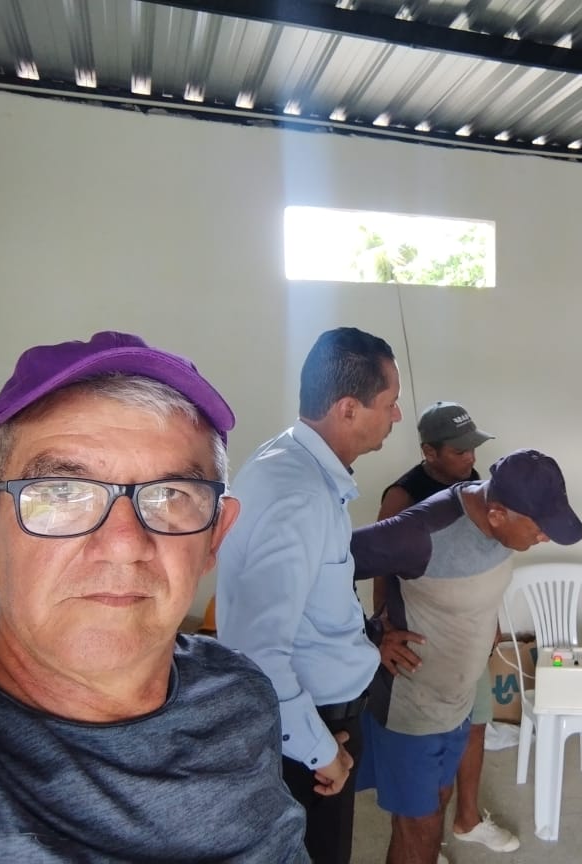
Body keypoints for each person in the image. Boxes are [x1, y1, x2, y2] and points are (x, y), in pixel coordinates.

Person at [0, 331, 309, 863]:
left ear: (215, 538)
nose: (124, 544)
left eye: (170, 495)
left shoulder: (241, 694)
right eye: (62, 492)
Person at [216, 326, 402, 864]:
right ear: (348, 409)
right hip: (309, 731)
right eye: (389, 403)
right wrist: (321, 751)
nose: (396, 416)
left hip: (313, 722)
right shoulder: (298, 495)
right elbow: (258, 650)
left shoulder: (291, 460)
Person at [353, 449, 582, 864]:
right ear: (497, 514)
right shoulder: (423, 530)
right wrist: (368, 635)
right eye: (539, 528)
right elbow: (321, 565)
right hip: (414, 707)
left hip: (458, 701)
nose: (545, 538)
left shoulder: (497, 512)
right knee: (419, 826)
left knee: (436, 806)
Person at [373, 401, 520, 854]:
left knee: (475, 725)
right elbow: (379, 569)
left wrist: (493, 620)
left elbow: (484, 563)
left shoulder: (476, 489)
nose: (470, 458)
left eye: (473, 448)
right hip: (423, 646)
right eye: (459, 451)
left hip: (469, 642)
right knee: (422, 766)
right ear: (429, 451)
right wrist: (381, 629)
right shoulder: (403, 497)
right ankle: (423, 836)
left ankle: (467, 819)